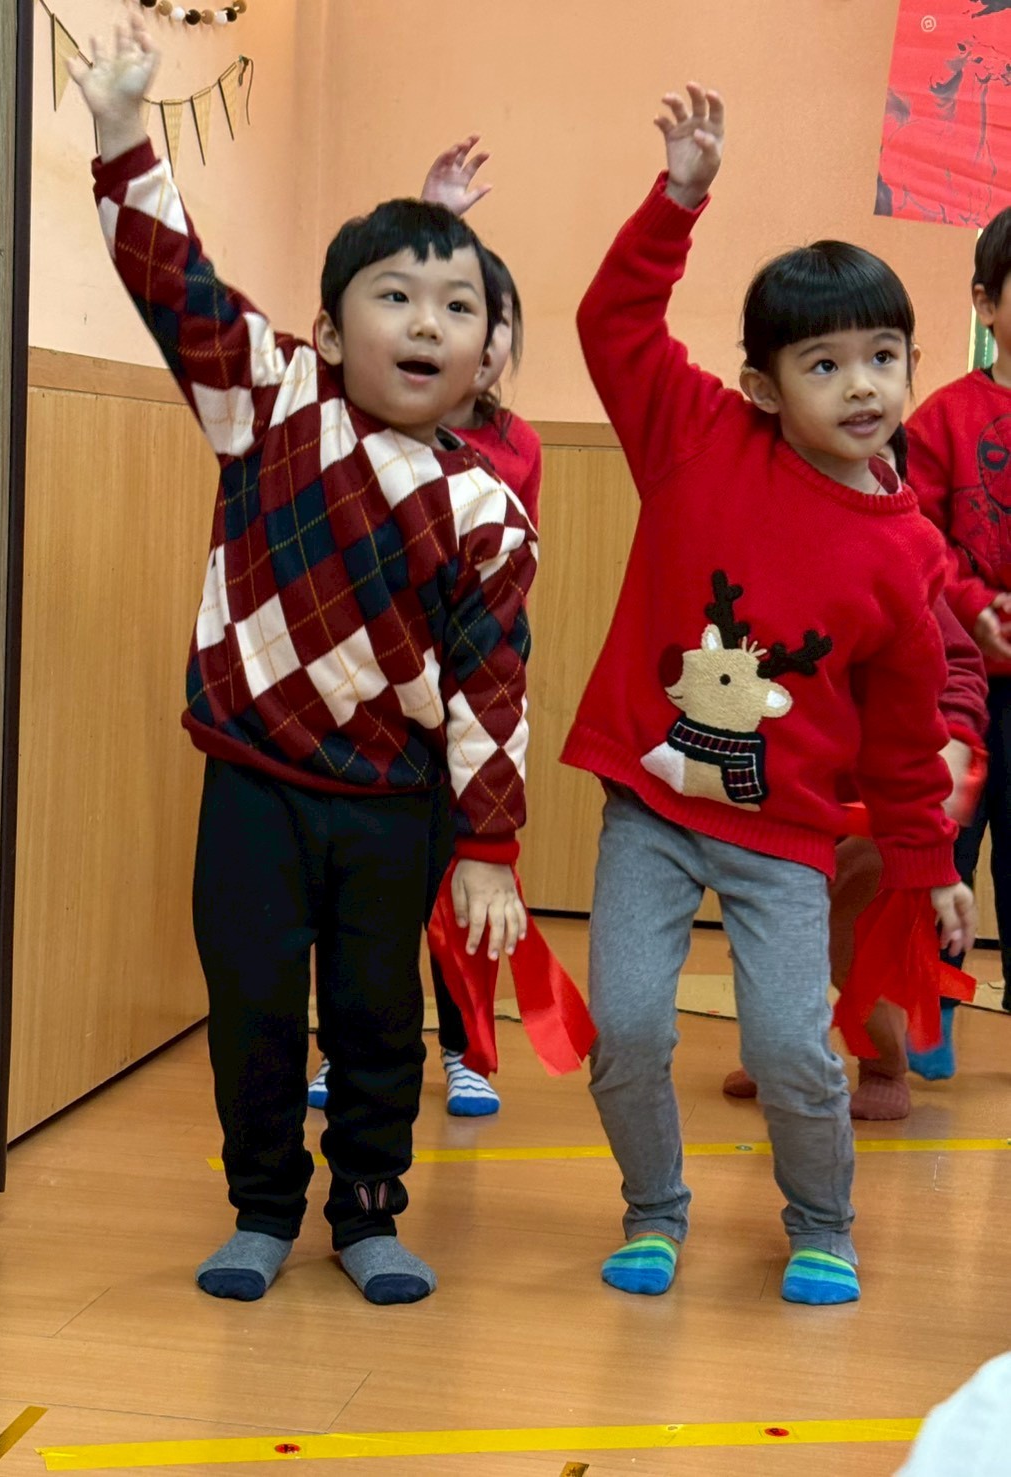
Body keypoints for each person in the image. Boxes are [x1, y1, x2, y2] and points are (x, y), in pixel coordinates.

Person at [68, 15, 535, 1306]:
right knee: (256, 1008)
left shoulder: (488, 508)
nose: (428, 323)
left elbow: (494, 693)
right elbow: (177, 283)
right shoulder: (268, 402)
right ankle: (263, 1207)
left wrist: (489, 844)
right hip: (255, 786)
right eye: (396, 297)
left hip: (395, 804)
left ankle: (369, 1212)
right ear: (328, 334)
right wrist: (123, 133)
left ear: (487, 354)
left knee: (379, 1019)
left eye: (459, 307)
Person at [565, 82, 976, 1306]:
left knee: (793, 1045)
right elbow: (611, 322)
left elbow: (903, 740)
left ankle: (822, 1223)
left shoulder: (907, 551)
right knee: (627, 1028)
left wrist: (928, 869)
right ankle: (653, 1210)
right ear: (761, 387)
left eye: (884, 358)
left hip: (784, 838)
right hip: (651, 806)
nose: (862, 386)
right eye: (825, 364)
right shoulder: (695, 437)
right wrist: (678, 198)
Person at [309, 140, 543, 1119]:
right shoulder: (351, 423)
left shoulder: (508, 451)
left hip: (461, 707)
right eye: (420, 307)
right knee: (364, 906)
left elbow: (486, 593)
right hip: (371, 714)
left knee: (465, 881)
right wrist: (432, 211)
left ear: (496, 342)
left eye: (478, 315)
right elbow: (372, 297)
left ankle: (468, 1050)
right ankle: (354, 1043)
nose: (445, 330)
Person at [723, 431, 988, 1120]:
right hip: (789, 794)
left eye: (868, 473)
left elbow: (960, 667)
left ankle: (883, 1061)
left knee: (855, 936)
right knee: (766, 932)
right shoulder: (766, 552)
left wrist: (954, 738)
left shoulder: (905, 559)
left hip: (879, 799)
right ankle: (783, 1050)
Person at [907, 204, 1011, 1072]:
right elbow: (918, 539)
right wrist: (975, 605)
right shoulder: (943, 417)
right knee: (947, 841)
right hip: (961, 680)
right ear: (986, 303)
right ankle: (930, 1009)